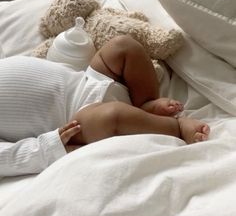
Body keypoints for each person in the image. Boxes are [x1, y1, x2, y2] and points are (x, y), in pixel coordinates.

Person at [0, 35, 210, 177]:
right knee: (112, 116)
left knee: (123, 46)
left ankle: (145, 103)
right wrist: (50, 146)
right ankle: (177, 128)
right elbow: (5, 158)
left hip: (87, 81)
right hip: (77, 120)